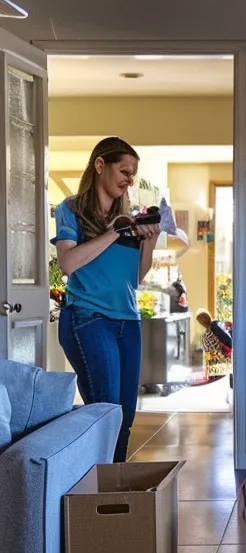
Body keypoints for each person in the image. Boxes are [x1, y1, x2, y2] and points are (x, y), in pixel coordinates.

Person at [52, 137, 162, 463]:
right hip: (88, 318)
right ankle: (93, 494)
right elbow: (68, 263)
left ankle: (113, 485)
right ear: (100, 165)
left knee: (126, 416)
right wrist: (114, 230)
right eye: (124, 170)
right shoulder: (70, 209)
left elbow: (136, 278)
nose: (129, 179)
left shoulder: (127, 218)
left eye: (133, 174)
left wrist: (150, 242)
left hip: (127, 320)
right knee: (106, 412)